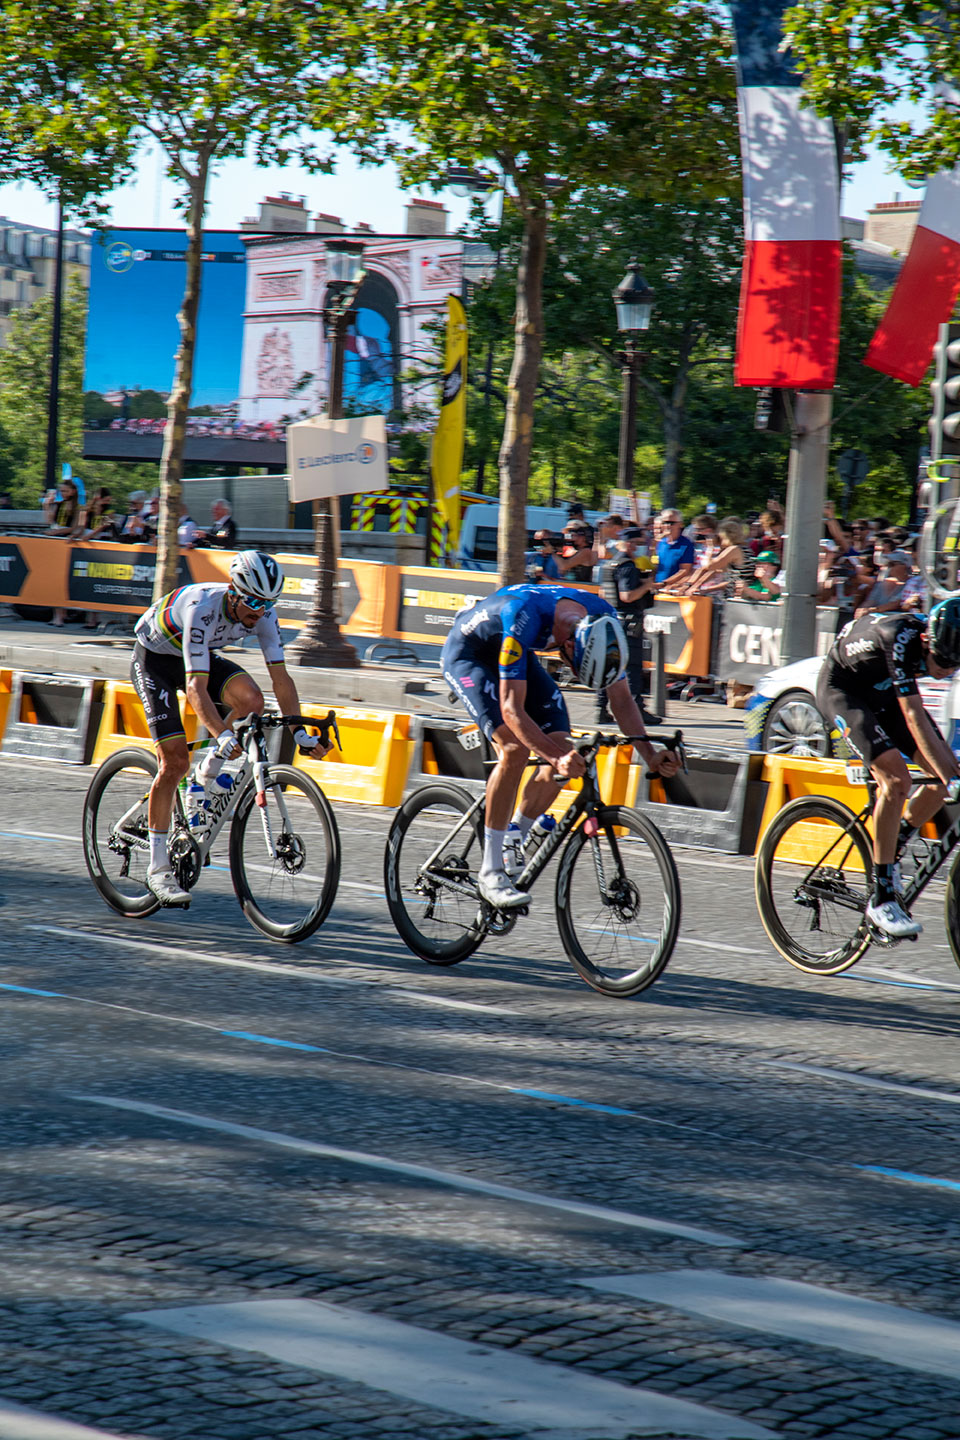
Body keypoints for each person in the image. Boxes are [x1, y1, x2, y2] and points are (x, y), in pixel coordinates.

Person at [442, 582, 679, 909]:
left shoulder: (602, 620)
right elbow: (512, 710)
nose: (568, 668)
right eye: (572, 664)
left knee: (566, 748)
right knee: (515, 749)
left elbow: (622, 700)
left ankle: (516, 835)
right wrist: (554, 758)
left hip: (515, 654)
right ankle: (491, 871)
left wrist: (650, 755)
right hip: (470, 655)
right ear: (568, 643)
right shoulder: (523, 614)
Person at [131, 550, 328, 908]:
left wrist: (300, 733)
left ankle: (204, 775)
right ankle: (158, 870)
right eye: (252, 600)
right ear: (234, 591)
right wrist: (222, 734)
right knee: (174, 763)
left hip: (197, 655)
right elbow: (196, 689)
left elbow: (280, 679)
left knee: (253, 702)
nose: (259, 610)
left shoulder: (263, 615)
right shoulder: (201, 607)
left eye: (268, 602)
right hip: (156, 661)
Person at [816, 601, 960, 938]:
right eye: (938, 662)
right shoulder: (899, 637)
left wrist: (951, 776)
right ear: (927, 641)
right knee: (897, 780)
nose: (942, 671)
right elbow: (913, 713)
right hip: (844, 692)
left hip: (884, 695)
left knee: (944, 777)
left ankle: (893, 841)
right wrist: (952, 778)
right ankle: (881, 899)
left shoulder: (943, 642)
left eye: (952, 666)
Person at [598, 526, 659, 724]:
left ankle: (600, 709)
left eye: (637, 543)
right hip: (628, 622)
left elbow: (602, 593)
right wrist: (647, 585)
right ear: (623, 543)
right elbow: (628, 596)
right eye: (632, 542)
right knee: (631, 666)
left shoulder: (609, 564)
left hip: (610, 620)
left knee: (608, 665)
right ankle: (637, 710)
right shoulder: (627, 566)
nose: (635, 547)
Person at [654, 509, 696, 590]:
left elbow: (685, 570)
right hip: (657, 588)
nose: (667, 526)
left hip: (674, 589)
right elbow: (656, 565)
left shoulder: (686, 545)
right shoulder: (661, 543)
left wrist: (665, 583)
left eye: (671, 523)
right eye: (664, 522)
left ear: (680, 524)